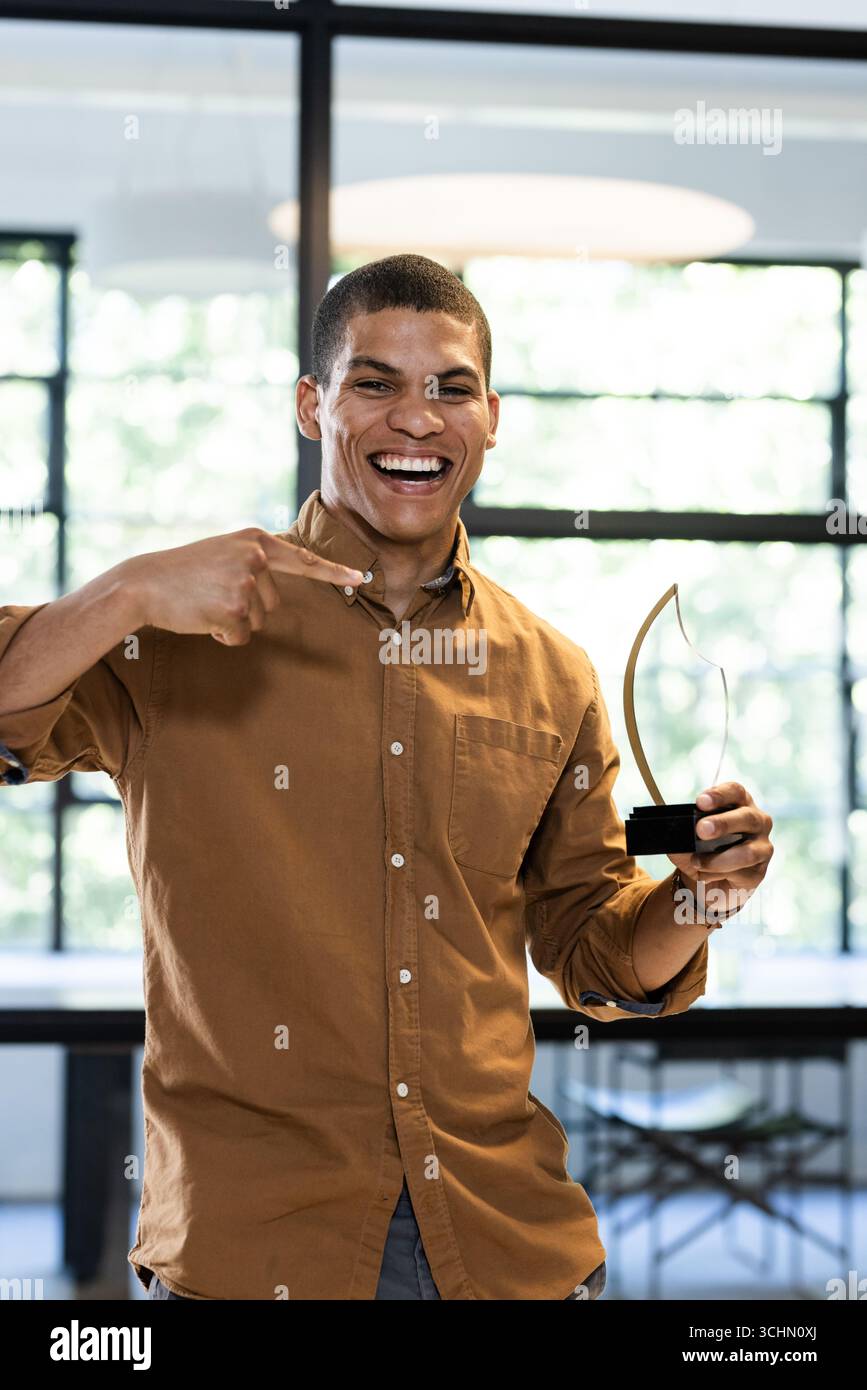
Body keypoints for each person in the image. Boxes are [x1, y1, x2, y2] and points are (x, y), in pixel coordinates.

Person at [0, 253, 774, 1300]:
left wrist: (702, 894)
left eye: (450, 387)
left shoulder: (551, 672)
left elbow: (599, 957)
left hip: (509, 1249)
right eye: (376, 383)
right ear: (313, 405)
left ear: (491, 417)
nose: (418, 419)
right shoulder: (176, 628)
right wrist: (128, 588)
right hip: (250, 1254)